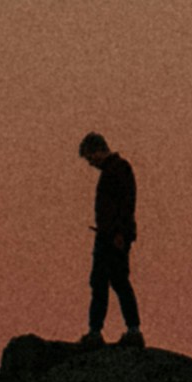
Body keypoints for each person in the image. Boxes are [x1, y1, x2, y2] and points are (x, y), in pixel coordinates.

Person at [77, 132, 142, 346]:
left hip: (114, 237)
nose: (90, 163)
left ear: (98, 150)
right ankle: (96, 331)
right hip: (107, 235)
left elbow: (126, 203)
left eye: (89, 157)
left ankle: (132, 330)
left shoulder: (119, 169)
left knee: (118, 281)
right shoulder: (112, 171)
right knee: (100, 282)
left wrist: (120, 234)